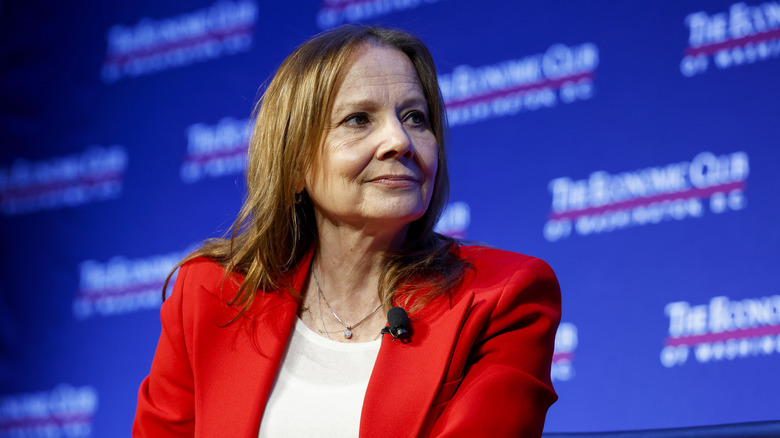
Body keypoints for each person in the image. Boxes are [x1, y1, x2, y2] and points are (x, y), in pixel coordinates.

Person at [133, 24, 561, 438]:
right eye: (358, 119)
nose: (399, 140)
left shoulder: (504, 297)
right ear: (295, 161)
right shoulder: (209, 295)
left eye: (415, 117)